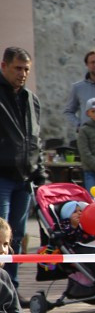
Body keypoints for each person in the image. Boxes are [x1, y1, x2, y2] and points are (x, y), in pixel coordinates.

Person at [0, 47, 48, 292]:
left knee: (17, 237)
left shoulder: (31, 98)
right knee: (1, 236)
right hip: (2, 178)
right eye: (18, 68)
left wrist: (40, 173)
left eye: (26, 69)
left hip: (25, 178)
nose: (22, 73)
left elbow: (35, 139)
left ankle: (11, 290)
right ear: (4, 65)